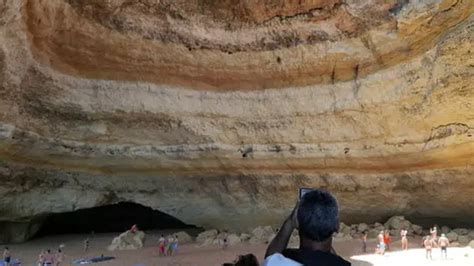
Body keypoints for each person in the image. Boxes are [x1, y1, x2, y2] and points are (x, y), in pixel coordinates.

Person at [263, 189, 350, 266]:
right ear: (337, 226)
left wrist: (289, 223)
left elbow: (270, 258)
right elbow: (329, 259)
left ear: (297, 223)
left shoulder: (281, 262)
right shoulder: (342, 264)